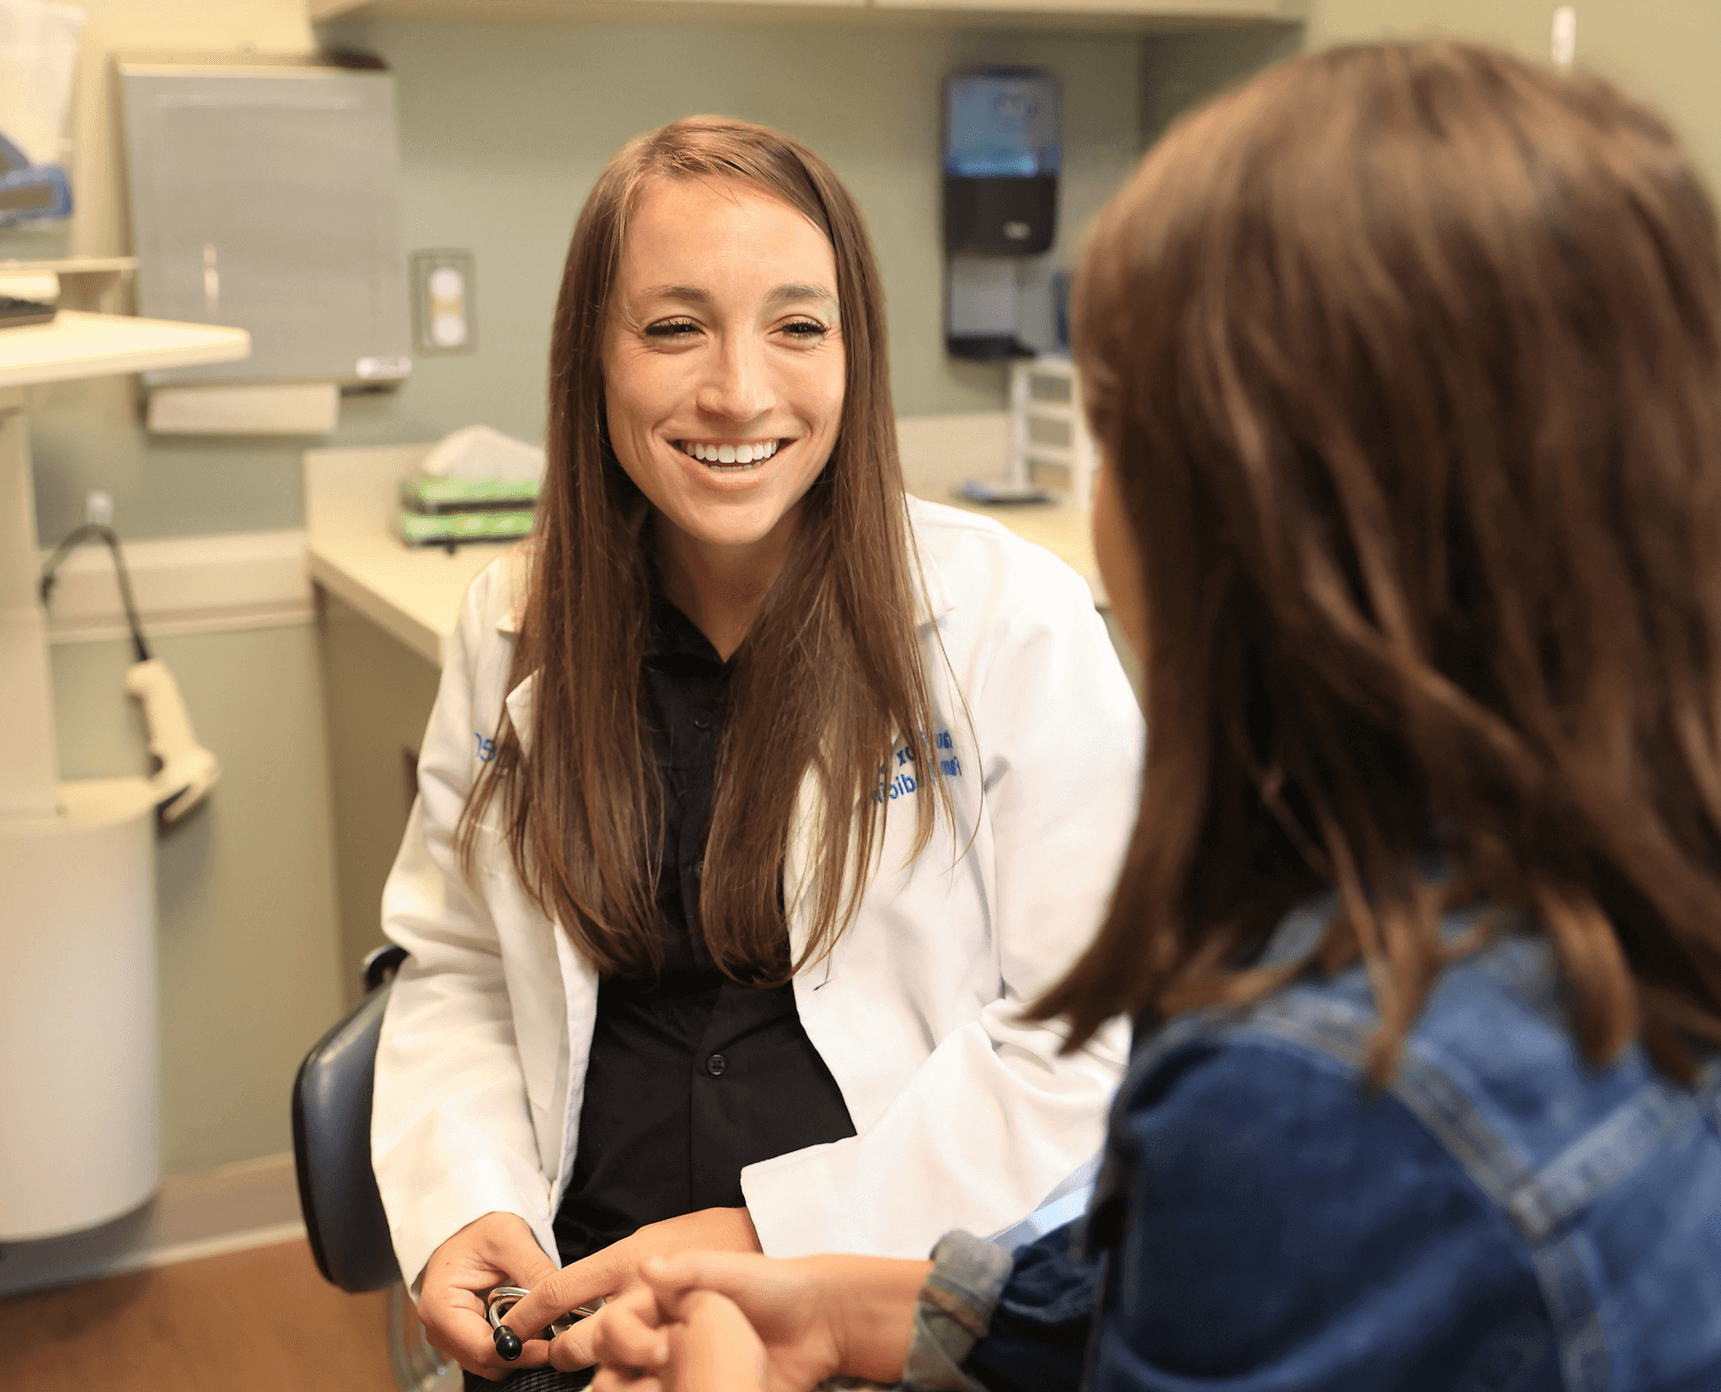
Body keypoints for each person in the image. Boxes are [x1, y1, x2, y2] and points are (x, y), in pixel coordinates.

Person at [580, 41, 1721, 1392]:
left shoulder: (1312, 1099)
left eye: (1117, 428)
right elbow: (1162, 1281)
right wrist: (862, 1312)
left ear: (1267, 520)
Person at [371, 115, 1143, 1386]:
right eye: (675, 327)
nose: (739, 391)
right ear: (592, 361)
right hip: (576, 1308)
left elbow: (1082, 1037)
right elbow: (455, 967)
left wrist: (778, 1241)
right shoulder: (511, 628)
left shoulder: (1012, 621)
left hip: (884, 1295)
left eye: (798, 326)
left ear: (856, 352)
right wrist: (469, 1201)